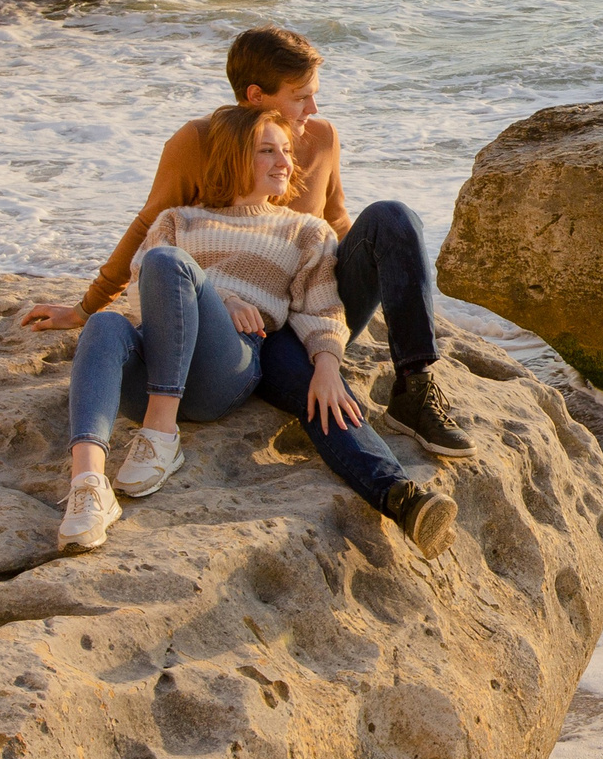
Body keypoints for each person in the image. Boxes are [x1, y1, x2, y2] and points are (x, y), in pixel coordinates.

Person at [42, 104, 457, 555]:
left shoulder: (304, 231)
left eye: (286, 151)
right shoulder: (178, 220)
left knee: (171, 265)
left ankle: (401, 498)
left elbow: (319, 306)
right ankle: (88, 487)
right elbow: (144, 296)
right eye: (267, 151)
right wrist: (221, 297)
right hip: (157, 364)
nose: (284, 161)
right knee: (106, 322)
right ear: (233, 158)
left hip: (226, 366)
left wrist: (326, 364)